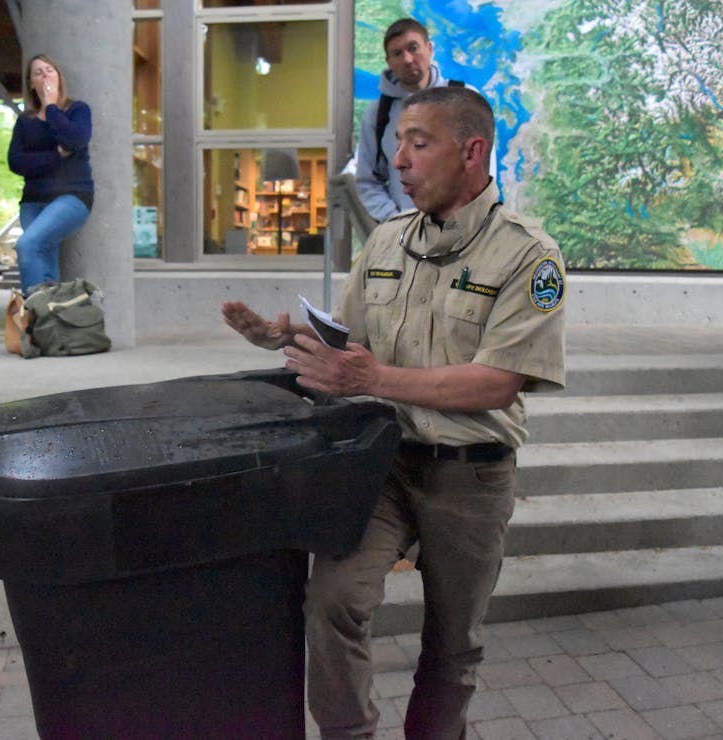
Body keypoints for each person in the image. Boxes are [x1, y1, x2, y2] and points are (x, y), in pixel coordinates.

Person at [222, 86, 565, 739]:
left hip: (472, 476)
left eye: (419, 142)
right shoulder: (386, 243)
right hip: (382, 465)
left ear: (472, 151)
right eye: (397, 141)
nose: (398, 159)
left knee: (453, 642)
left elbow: (496, 383)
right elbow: (345, 339)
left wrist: (374, 376)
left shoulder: (527, 255)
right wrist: (282, 337)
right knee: (332, 603)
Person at [353, 18, 494, 225]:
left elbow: (484, 170)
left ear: (429, 49)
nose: (408, 59)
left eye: (413, 48)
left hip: (465, 232)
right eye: (397, 53)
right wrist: (398, 222)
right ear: (389, 62)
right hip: (407, 237)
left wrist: (469, 222)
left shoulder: (466, 99)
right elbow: (367, 181)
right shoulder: (378, 114)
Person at [7, 53, 94, 294]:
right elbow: (16, 162)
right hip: (33, 202)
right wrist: (55, 156)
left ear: (58, 77)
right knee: (43, 262)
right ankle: (49, 325)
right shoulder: (25, 121)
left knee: (28, 245)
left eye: (49, 70)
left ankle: (35, 314)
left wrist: (51, 107)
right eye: (38, 72)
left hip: (72, 197)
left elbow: (75, 139)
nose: (44, 75)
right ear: (31, 85)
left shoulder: (77, 110)